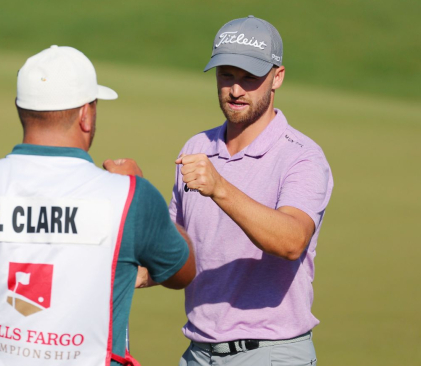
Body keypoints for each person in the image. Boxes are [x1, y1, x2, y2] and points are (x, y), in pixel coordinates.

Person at [0, 45, 195, 366]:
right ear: (85, 116)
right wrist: (143, 192)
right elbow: (181, 271)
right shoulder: (129, 195)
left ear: (21, 109)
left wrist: (15, 347)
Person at [118, 16, 333, 366]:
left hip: (271, 353)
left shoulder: (301, 155)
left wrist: (219, 187)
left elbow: (292, 241)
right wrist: (136, 202)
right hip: (199, 352)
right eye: (226, 75)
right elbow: (178, 249)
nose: (235, 90)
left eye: (250, 78)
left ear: (277, 76)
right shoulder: (197, 146)